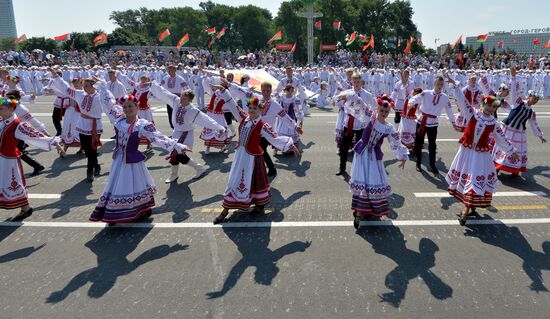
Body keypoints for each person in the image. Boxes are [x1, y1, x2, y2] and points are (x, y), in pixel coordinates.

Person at [89, 87, 190, 225]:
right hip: (119, 158)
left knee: (132, 184)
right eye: (125, 106)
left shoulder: (141, 124)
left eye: (130, 106)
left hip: (132, 159)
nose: (127, 109)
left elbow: (158, 137)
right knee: (116, 183)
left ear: (137, 107)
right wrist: (103, 88)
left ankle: (136, 210)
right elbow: (108, 104)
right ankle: (114, 211)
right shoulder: (118, 119)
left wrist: (177, 146)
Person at [212, 97, 300, 224]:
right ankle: (225, 210)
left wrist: (291, 145)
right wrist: (223, 91)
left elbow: (275, 137)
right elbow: (232, 105)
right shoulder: (244, 118)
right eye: (250, 108)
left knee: (253, 182)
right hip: (240, 156)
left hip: (252, 158)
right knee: (234, 181)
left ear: (260, 110)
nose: (252, 110)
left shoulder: (262, 125)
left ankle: (258, 205)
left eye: (255, 108)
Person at [446, 75, 519, 226]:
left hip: (481, 156)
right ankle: (469, 208)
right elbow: (462, 101)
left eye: (493, 107)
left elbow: (502, 139)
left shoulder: (494, 123)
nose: (490, 109)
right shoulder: (473, 114)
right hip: (467, 153)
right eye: (488, 105)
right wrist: (455, 86)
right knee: (468, 180)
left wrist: (512, 150)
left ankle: (466, 211)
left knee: (473, 182)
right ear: (482, 104)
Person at [0, 96, 64, 221]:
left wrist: (55, 143)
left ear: (11, 109)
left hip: (9, 161)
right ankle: (26, 208)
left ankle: (26, 208)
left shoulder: (18, 125)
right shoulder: (3, 121)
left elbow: (36, 136)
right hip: (2, 158)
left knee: (12, 184)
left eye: (1, 109)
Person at [349, 95, 408, 229]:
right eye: (382, 110)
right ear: (378, 109)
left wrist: (403, 156)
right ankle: (359, 213)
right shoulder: (372, 117)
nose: (384, 113)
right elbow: (361, 104)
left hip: (375, 156)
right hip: (363, 153)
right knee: (363, 181)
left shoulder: (389, 127)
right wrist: (348, 96)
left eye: (386, 112)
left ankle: (366, 210)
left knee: (373, 182)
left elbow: (396, 142)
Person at [150, 83, 226, 183]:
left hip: (185, 134)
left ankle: (191, 170)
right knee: (176, 154)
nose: (181, 99)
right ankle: (188, 171)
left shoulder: (193, 110)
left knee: (177, 154)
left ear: (190, 100)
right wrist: (153, 84)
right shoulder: (176, 101)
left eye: (184, 98)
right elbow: (165, 93)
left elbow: (206, 119)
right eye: (181, 96)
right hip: (176, 133)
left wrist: (219, 128)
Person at [47, 67, 107, 182]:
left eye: (87, 86)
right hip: (83, 125)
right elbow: (66, 88)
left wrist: (99, 81)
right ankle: (96, 165)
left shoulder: (100, 97)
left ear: (94, 86)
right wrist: (55, 75)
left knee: (92, 149)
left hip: (95, 126)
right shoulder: (80, 94)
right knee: (86, 148)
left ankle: (90, 171)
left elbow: (108, 95)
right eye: (84, 85)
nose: (84, 87)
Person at [492, 67, 546, 177]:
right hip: (508, 129)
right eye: (533, 98)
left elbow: (534, 124)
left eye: (536, 100)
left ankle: (514, 169)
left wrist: (540, 136)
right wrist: (513, 77)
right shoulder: (518, 102)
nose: (535, 101)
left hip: (520, 133)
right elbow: (514, 92)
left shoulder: (532, 112)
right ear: (529, 97)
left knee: (518, 151)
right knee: (504, 146)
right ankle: (496, 168)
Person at [407, 76, 457, 175]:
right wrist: (410, 103)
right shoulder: (426, 93)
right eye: (438, 84)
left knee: (432, 145)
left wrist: (453, 122)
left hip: (433, 123)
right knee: (418, 143)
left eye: (441, 84)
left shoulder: (445, 97)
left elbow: (449, 111)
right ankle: (418, 162)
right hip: (422, 121)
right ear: (434, 84)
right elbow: (415, 98)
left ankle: (432, 164)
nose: (439, 86)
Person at [335, 73, 378, 176]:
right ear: (352, 82)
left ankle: (359, 169)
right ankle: (342, 168)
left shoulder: (366, 94)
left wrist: (368, 114)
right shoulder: (347, 92)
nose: (356, 84)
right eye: (354, 82)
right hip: (348, 123)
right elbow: (335, 100)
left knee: (360, 148)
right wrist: (342, 100)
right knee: (344, 147)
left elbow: (375, 105)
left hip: (361, 124)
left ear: (361, 82)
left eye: (358, 82)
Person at [276, 85, 304, 152]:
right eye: (291, 89)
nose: (292, 91)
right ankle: (279, 148)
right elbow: (275, 102)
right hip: (282, 118)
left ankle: (291, 149)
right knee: (281, 132)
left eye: (292, 89)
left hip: (291, 118)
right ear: (287, 90)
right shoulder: (281, 97)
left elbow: (299, 109)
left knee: (291, 133)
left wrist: (301, 118)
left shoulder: (295, 98)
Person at [161, 64, 189, 129]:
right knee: (170, 112)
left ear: (174, 70)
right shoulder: (165, 78)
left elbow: (186, 88)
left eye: (170, 71)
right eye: (168, 70)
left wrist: (187, 97)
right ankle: (173, 127)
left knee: (177, 112)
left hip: (177, 98)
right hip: (169, 98)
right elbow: (160, 85)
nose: (168, 72)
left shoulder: (180, 78)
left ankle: (178, 126)